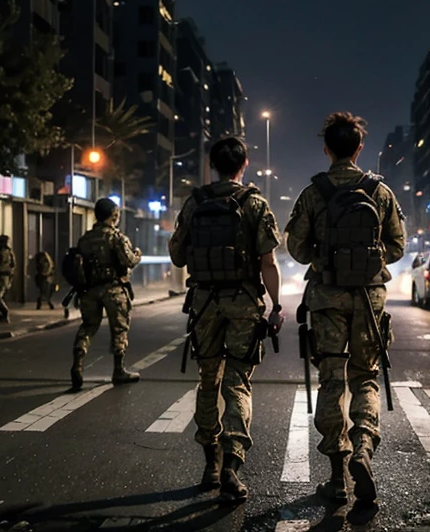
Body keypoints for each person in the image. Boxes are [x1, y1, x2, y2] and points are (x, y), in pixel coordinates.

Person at [286, 112, 406, 513]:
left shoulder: (312, 193)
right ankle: (364, 449)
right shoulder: (380, 191)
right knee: (366, 376)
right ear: (359, 148)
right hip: (369, 300)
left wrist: (325, 262)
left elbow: (297, 247)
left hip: (327, 298)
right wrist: (369, 262)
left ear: (326, 149)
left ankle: (337, 477)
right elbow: (398, 244)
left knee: (332, 378)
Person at [169, 136, 283, 504]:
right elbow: (268, 262)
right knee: (238, 382)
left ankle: (210, 464)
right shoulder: (255, 203)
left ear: (212, 165)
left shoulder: (195, 202)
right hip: (243, 302)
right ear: (244, 164)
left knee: (207, 380)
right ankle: (233, 461)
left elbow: (176, 255)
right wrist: (276, 305)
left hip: (204, 303)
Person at [71, 198, 142, 390]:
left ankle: (78, 362)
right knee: (119, 329)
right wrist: (137, 254)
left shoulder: (85, 239)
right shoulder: (115, 237)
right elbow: (128, 261)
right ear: (114, 215)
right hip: (113, 289)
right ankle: (118, 370)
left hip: (89, 290)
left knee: (88, 326)